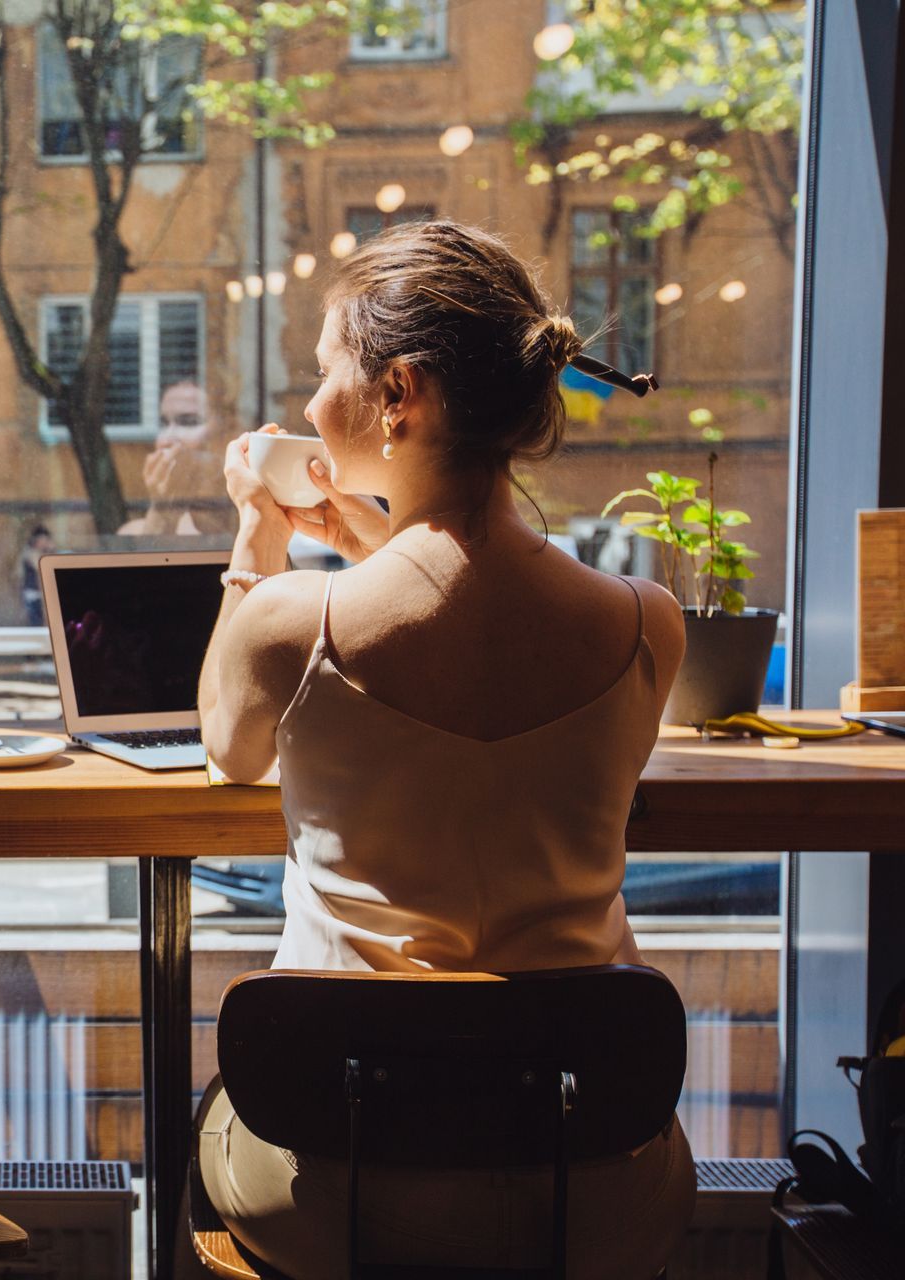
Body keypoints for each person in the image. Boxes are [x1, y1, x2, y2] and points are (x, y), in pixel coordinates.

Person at [190, 221, 691, 1279]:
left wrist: (257, 544)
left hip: (344, 1179)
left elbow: (228, 749)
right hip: (582, 1176)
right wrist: (373, 547)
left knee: (205, 1121)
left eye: (329, 362)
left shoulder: (293, 622)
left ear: (398, 392)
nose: (317, 390)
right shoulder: (650, 625)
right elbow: (487, 654)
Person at [118, 381, 234, 538]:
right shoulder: (133, 533)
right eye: (164, 423)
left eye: (188, 422)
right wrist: (162, 511)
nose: (166, 439)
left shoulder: (251, 519)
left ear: (225, 433)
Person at [18, 525, 55, 625]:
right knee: (36, 624)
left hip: (42, 595)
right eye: (42, 540)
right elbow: (39, 566)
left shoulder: (44, 553)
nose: (44, 543)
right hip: (33, 594)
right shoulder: (30, 552)